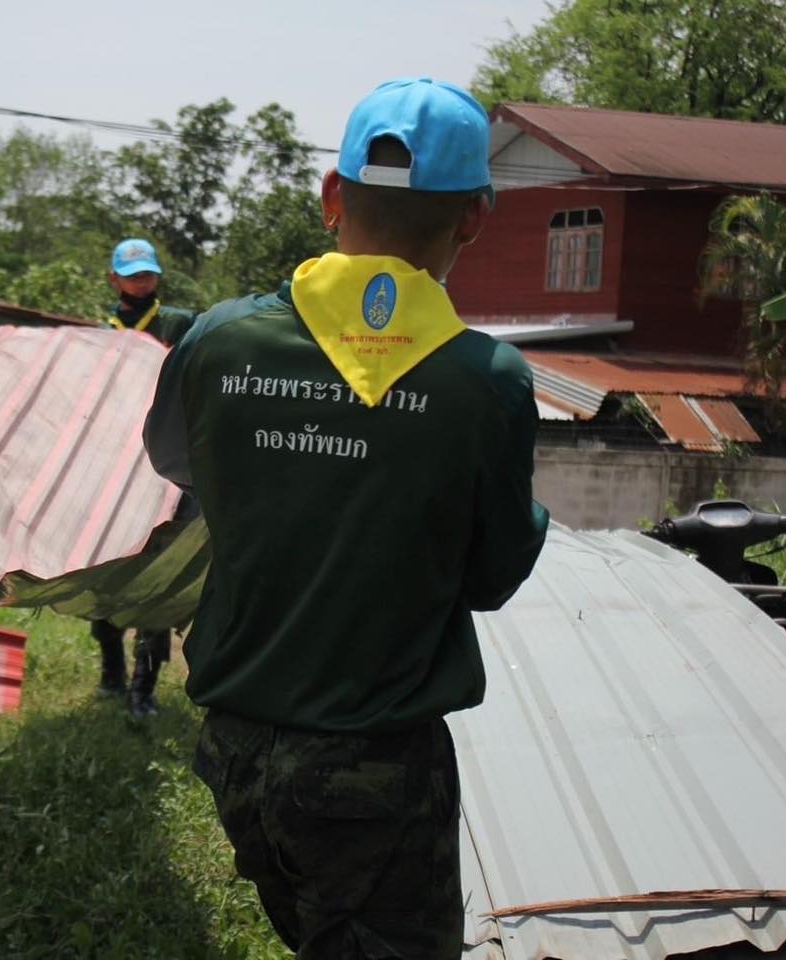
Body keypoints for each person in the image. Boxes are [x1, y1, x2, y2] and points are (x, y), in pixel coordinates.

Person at [142, 79, 550, 957]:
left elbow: (180, 467)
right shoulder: (489, 383)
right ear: (475, 217)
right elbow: (491, 577)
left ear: (332, 195)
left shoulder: (215, 341)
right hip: (376, 772)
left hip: (236, 755)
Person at [92, 238, 196, 718]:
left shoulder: (178, 323)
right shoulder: (100, 332)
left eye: (148, 275)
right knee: (104, 572)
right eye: (132, 276)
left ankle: (143, 689)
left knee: (155, 576)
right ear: (114, 279)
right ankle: (111, 671)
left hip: (161, 471)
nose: (142, 283)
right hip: (109, 470)